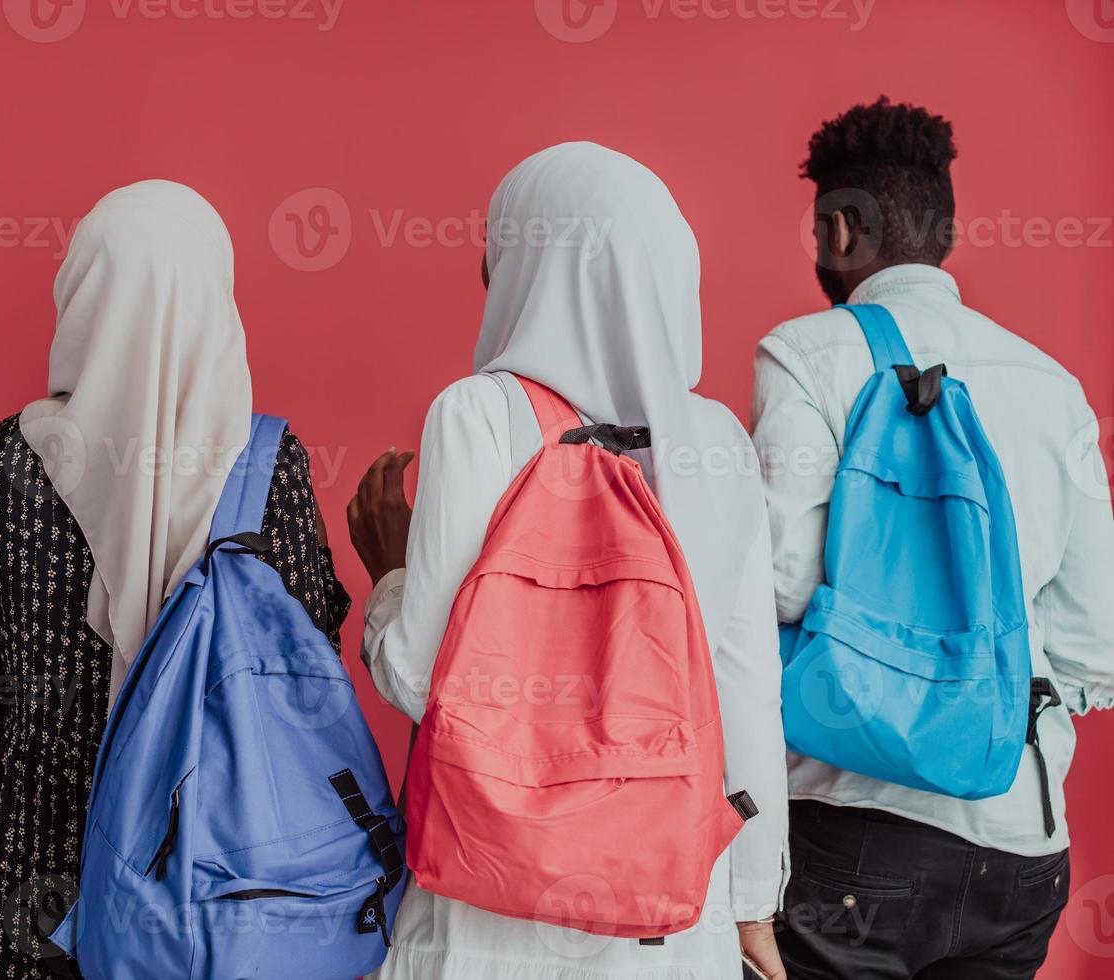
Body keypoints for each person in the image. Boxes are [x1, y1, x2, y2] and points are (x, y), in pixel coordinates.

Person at [347, 142, 790, 980]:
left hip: (490, 918)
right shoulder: (721, 443)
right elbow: (744, 696)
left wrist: (389, 577)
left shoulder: (478, 416)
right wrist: (753, 903)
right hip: (671, 928)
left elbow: (425, 686)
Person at [0, 180, 351, 980]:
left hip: (39, 867)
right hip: (220, 876)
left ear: (84, 292)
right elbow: (309, 669)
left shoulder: (2, 464)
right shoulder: (269, 470)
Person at [753, 97, 1114, 979]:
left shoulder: (808, 352)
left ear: (843, 228)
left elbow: (780, 578)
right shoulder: (1052, 382)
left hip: (856, 836)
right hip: (1024, 847)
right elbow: (1096, 641)